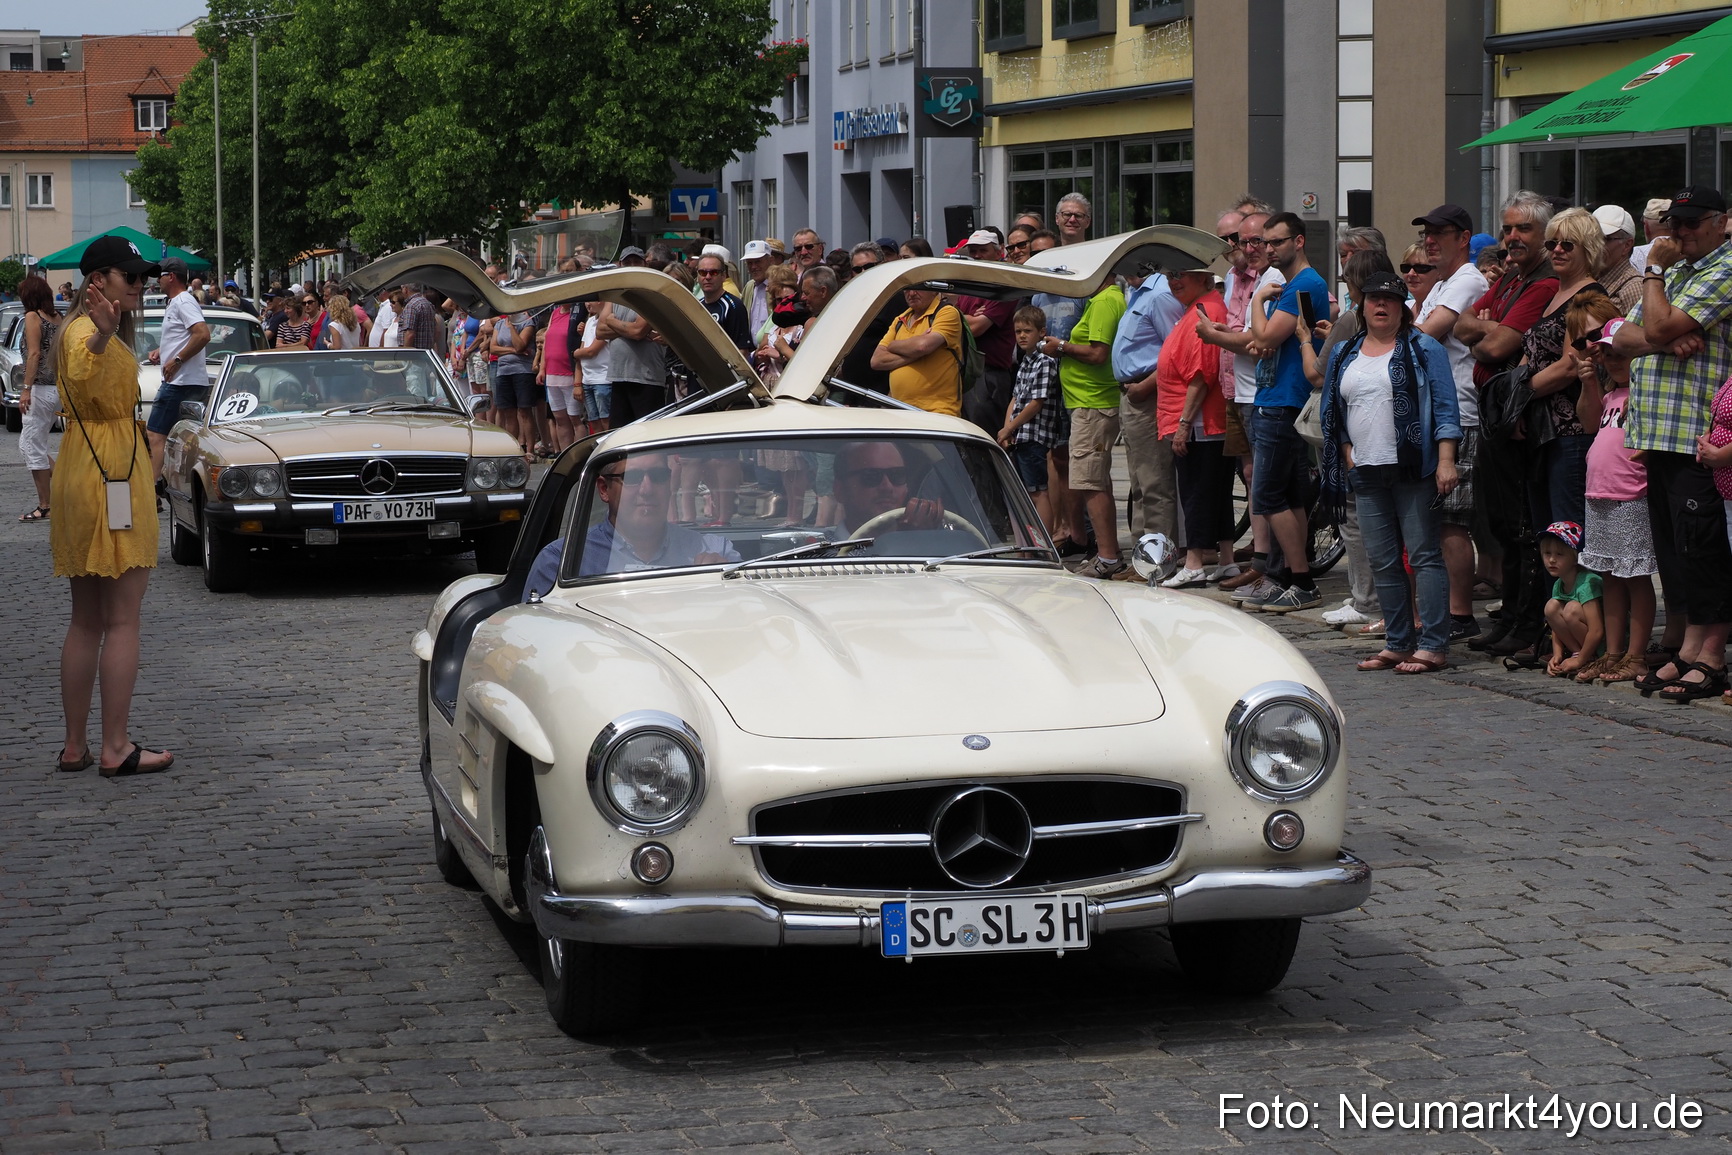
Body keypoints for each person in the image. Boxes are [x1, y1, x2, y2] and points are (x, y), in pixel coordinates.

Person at [50, 235, 173, 778]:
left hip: (87, 465)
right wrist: (101, 335)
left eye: (143, 277)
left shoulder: (82, 328)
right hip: (108, 472)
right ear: (98, 282)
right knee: (121, 619)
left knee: (86, 620)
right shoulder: (85, 331)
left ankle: (76, 745)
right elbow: (79, 367)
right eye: (131, 277)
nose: (141, 285)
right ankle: (115, 746)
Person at [1612, 185, 1732, 702]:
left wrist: (1654, 283)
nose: (1677, 233)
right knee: (1676, 550)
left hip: (1696, 434)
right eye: (1674, 223)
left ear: (1720, 222)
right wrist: (1662, 334)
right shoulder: (1682, 272)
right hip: (1657, 432)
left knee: (1703, 549)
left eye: (1689, 223)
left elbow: (1653, 323)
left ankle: (1711, 655)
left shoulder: (1722, 269)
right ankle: (1687, 648)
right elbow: (1620, 336)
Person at [1321, 270, 1461, 675]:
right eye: (1373, 299)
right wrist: (1347, 452)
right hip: (1365, 470)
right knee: (1382, 560)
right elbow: (1334, 409)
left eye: (1390, 300)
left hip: (1414, 467)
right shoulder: (1346, 351)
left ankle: (1433, 645)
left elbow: (1446, 408)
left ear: (1404, 308)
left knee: (1423, 556)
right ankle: (1399, 643)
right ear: (1361, 306)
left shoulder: (1423, 347)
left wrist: (1447, 460)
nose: (1381, 306)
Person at [1455, 190, 1562, 658]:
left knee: (1521, 524)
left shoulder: (1540, 284)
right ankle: (1513, 616)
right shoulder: (1513, 278)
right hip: (1495, 409)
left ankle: (1526, 622)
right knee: (1502, 520)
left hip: (1519, 415)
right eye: (1508, 229)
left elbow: (1496, 349)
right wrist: (1488, 328)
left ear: (1546, 235)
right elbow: (1462, 327)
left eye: (1523, 229)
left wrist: (1488, 328)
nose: (1512, 238)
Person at [1241, 211, 1332, 612]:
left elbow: (1264, 337)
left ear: (1298, 241)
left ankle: (1301, 580)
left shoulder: (1305, 283)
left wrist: (1259, 299)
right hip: (1276, 400)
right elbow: (1263, 345)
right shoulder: (1296, 283)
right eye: (1266, 241)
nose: (1269, 248)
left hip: (1284, 402)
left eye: (1277, 241)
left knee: (1267, 495)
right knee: (1290, 496)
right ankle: (1292, 578)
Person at [1411, 204, 1490, 642]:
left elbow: (1427, 333)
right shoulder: (1442, 282)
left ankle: (1461, 613)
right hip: (1440, 413)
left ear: (1464, 238)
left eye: (1440, 232)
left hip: (1460, 413)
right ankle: (1444, 608)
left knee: (1452, 521)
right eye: (1426, 232)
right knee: (1439, 519)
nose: (1430, 240)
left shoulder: (1468, 280)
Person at [1568, 305, 1655, 685]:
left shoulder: (1644, 389)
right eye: (1608, 353)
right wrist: (1589, 383)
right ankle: (1615, 652)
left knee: (1634, 576)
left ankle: (1637, 654)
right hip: (1599, 494)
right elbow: (1589, 424)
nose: (1614, 359)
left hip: (1631, 494)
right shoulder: (1611, 393)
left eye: (1621, 352)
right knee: (1611, 577)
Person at [523, 452, 742, 594]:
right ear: (604, 489)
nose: (646, 489)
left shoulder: (715, 553)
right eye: (632, 477)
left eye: (657, 476)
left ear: (669, 484)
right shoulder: (559, 564)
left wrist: (722, 583)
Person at [1146, 266, 1236, 590]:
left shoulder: (1205, 309)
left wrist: (1183, 424)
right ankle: (1226, 559)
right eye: (1171, 275)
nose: (1174, 280)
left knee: (1196, 492)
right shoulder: (1199, 307)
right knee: (1216, 491)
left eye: (1182, 274)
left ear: (1204, 278)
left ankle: (1195, 562)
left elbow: (1201, 374)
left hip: (1200, 422)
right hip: (1203, 420)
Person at [145, 257, 210, 483]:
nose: (157, 280)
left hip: (181, 382)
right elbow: (183, 335)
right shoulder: (177, 301)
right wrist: (163, 350)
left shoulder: (183, 301)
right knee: (182, 439)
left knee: (155, 433)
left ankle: (154, 488)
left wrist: (177, 360)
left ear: (171, 277)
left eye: (160, 275)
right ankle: (171, 482)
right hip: (183, 380)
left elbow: (202, 334)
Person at [999, 304, 1061, 534]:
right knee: (1021, 492)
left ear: (1041, 332)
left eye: (1028, 331)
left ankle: (1044, 542)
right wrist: (1007, 429)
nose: (1022, 336)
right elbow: (1015, 398)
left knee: (1038, 491)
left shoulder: (1045, 362)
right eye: (1018, 332)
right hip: (1019, 435)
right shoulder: (1025, 361)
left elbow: (1037, 402)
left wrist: (1010, 428)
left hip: (1034, 435)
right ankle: (1026, 545)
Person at [870, 285, 964, 417]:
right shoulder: (900, 319)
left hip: (937, 413)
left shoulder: (947, 312)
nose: (912, 293)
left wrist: (893, 346)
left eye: (919, 288)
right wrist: (916, 353)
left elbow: (922, 346)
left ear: (934, 290)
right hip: (899, 412)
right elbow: (877, 361)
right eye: (907, 289)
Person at [16, 275, 60, 522]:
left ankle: (46, 505)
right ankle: (65, 484)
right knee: (30, 445)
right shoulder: (56, 318)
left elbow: (33, 355)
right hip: (55, 388)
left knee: (32, 446)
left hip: (40, 389)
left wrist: (26, 388)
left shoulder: (33, 317)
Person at [1537, 521, 1605, 679]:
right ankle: (1579, 653)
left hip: (1604, 642)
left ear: (1575, 558)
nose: (1552, 560)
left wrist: (1579, 661)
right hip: (1584, 641)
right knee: (1551, 607)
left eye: (1559, 554)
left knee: (1571, 609)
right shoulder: (1559, 583)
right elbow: (1555, 626)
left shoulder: (1587, 583)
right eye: (1547, 553)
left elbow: (1597, 631)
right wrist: (1557, 654)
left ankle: (1586, 657)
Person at [831, 441, 945, 535]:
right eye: (871, 476)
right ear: (840, 490)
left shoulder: (942, 552)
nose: (887, 486)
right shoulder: (818, 555)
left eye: (897, 475)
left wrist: (918, 539)